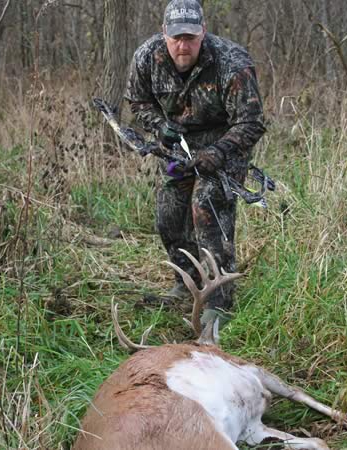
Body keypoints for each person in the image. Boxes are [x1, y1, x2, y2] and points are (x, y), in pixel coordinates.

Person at [124, 0, 265, 326]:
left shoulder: (232, 62)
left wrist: (216, 153)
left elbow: (251, 122)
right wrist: (160, 127)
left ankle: (219, 301)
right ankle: (187, 282)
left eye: (190, 37)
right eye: (176, 38)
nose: (183, 45)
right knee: (168, 215)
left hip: (225, 147)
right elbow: (138, 100)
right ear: (164, 34)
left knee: (207, 207)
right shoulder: (147, 56)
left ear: (203, 32)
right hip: (177, 148)